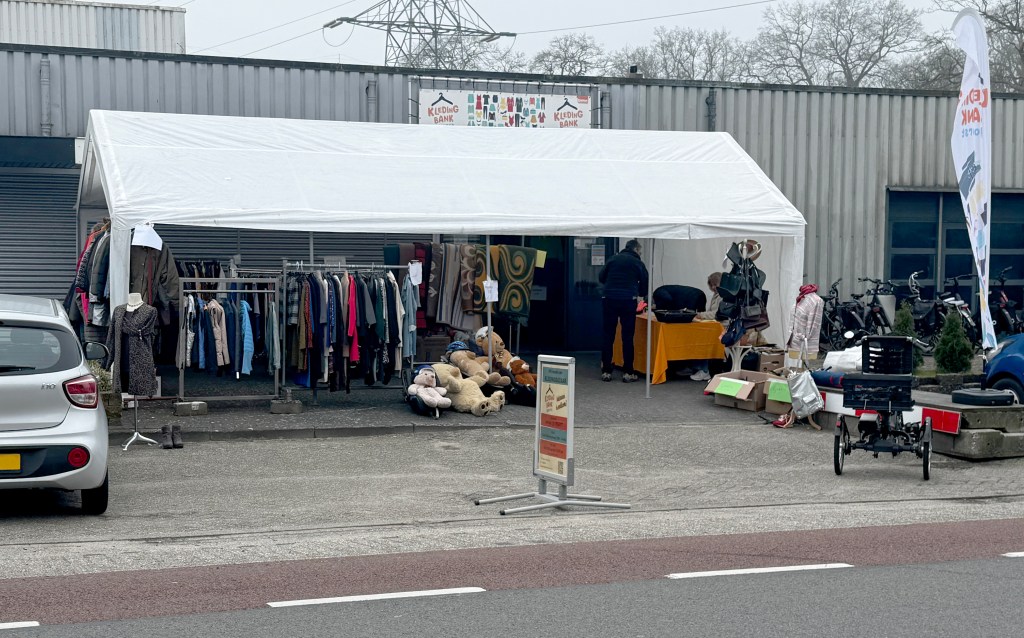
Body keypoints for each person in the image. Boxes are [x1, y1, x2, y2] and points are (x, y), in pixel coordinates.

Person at [599, 239, 649, 383]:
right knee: (627, 336)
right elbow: (645, 283)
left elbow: (601, 277)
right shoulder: (637, 263)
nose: (640, 254)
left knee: (608, 335)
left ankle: (606, 371)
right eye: (640, 251)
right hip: (628, 300)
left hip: (609, 298)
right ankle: (628, 372)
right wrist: (639, 292)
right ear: (636, 250)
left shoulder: (612, 259)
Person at [688, 272, 724, 382]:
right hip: (715, 325)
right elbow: (711, 312)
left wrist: (700, 315)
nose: (713, 287)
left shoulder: (723, 296)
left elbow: (716, 313)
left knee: (703, 340)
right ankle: (698, 367)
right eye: (711, 285)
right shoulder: (716, 294)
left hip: (722, 326)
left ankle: (704, 370)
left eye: (715, 285)